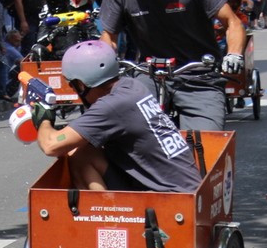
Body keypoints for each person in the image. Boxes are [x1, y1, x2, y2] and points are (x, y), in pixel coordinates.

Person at [26, 40, 201, 193]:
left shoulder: (112, 106)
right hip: (185, 187)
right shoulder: (132, 86)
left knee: (78, 154)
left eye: (73, 85)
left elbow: (51, 145)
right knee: (83, 148)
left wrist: (43, 119)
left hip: (171, 197)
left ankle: (101, 219)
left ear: (80, 84)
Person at [98, 0, 246, 130]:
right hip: (149, 74)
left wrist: (234, 54)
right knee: (125, 130)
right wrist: (101, 63)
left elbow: (232, 22)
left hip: (199, 76)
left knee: (205, 143)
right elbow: (109, 36)